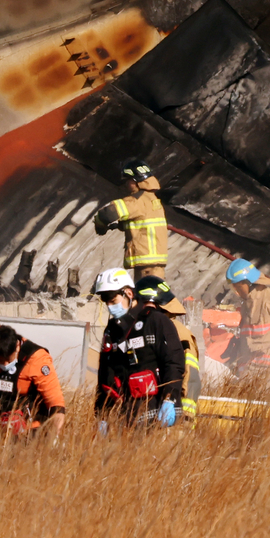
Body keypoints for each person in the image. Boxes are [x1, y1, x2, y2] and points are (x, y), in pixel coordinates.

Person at [94, 268, 185, 425]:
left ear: (129, 294)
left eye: (113, 301)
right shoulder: (112, 330)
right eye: (106, 302)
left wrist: (169, 399)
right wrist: (102, 414)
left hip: (158, 412)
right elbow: (105, 375)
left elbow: (174, 362)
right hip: (128, 416)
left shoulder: (155, 321)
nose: (110, 306)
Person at [0, 323, 67, 436]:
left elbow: (56, 404)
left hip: (26, 426)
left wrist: (55, 436)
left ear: (18, 346)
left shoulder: (37, 359)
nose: (5, 364)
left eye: (9, 359)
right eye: (0, 360)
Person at [137, 276, 202, 424]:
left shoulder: (179, 333)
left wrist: (184, 417)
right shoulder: (148, 329)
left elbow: (190, 377)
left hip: (172, 416)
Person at [92, 161, 168, 280]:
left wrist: (100, 225)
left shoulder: (136, 200)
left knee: (146, 294)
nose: (126, 184)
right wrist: (121, 225)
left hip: (146, 259)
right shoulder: (152, 199)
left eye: (127, 180)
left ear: (135, 180)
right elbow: (140, 222)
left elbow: (108, 214)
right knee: (152, 294)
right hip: (154, 259)